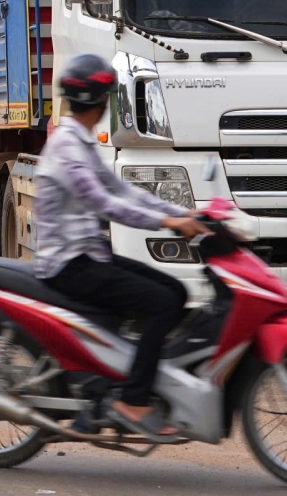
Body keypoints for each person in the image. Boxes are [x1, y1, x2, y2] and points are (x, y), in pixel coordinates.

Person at [33, 53, 210, 440]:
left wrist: (182, 211)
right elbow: (104, 203)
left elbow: (123, 190)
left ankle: (120, 375)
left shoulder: (76, 140)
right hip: (69, 265)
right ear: (100, 103)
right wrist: (168, 222)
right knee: (162, 302)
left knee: (175, 291)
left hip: (87, 255)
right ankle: (132, 399)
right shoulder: (67, 146)